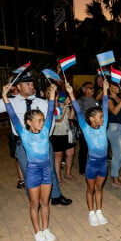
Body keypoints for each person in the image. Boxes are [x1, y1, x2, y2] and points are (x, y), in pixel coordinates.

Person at [0, 72, 72, 206]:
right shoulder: (11, 101)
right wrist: (4, 93)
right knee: (28, 172)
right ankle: (34, 199)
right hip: (23, 144)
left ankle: (56, 196)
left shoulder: (40, 101)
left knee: (50, 170)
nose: (31, 86)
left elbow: (51, 119)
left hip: (44, 142)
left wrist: (46, 137)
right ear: (18, 87)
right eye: (27, 84)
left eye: (32, 83)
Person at [2, 83, 57, 241]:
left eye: (42, 120)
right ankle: (37, 232)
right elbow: (11, 114)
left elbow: (51, 109)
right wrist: (5, 95)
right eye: (38, 121)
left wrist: (52, 93)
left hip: (46, 169)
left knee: (45, 203)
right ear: (29, 122)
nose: (42, 123)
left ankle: (46, 229)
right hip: (33, 171)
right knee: (34, 204)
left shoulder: (46, 130)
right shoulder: (23, 133)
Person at [66, 79, 109, 226]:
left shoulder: (103, 127)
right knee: (90, 188)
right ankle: (91, 212)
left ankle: (99, 211)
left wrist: (106, 89)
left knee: (99, 188)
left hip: (103, 164)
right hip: (92, 164)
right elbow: (78, 110)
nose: (103, 119)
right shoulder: (86, 128)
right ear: (91, 119)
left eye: (103, 116)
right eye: (100, 117)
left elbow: (105, 106)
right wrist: (71, 93)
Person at [50, 92, 76, 184]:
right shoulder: (51, 105)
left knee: (70, 153)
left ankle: (68, 173)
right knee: (58, 156)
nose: (58, 97)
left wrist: (73, 108)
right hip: (56, 133)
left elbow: (70, 118)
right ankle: (58, 177)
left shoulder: (64, 104)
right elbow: (58, 118)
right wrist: (65, 106)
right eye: (56, 95)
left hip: (67, 132)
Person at [77, 82, 100, 175]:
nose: (92, 89)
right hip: (85, 129)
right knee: (84, 149)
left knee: (94, 149)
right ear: (84, 90)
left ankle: (93, 167)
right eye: (90, 88)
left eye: (93, 88)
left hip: (96, 129)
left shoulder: (95, 100)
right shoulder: (80, 101)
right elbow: (78, 115)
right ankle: (82, 169)